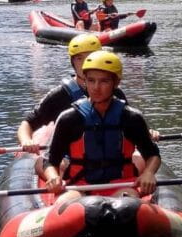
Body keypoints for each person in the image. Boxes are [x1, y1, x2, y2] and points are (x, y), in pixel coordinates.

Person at [43, 51, 161, 203]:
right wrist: (52, 176)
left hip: (121, 185)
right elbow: (50, 161)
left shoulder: (131, 117)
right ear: (85, 81)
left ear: (116, 83)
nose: (96, 87)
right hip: (80, 187)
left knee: (127, 206)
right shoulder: (69, 118)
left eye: (104, 81)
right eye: (91, 81)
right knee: (65, 205)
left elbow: (152, 154)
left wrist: (149, 173)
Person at [16, 34, 128, 165]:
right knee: (60, 164)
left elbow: (130, 123)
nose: (85, 63)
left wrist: (147, 132)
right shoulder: (60, 95)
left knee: (138, 159)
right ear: (73, 62)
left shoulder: (115, 93)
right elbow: (27, 123)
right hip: (69, 158)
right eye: (79, 58)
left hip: (109, 156)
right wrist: (26, 141)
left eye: (90, 56)